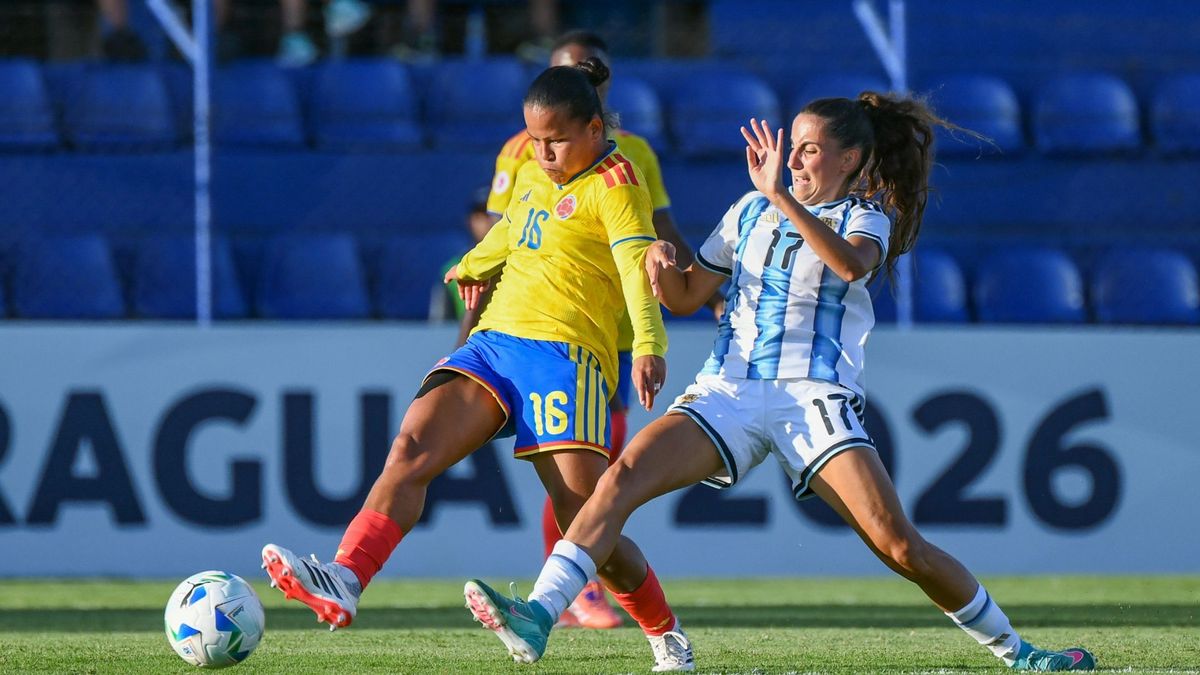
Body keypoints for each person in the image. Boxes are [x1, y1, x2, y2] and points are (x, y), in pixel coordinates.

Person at [465, 96, 1098, 672]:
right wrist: (658, 261)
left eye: (809, 149)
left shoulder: (864, 216)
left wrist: (781, 198)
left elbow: (849, 266)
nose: (791, 160)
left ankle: (1020, 653)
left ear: (849, 160)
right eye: (791, 147)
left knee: (900, 547)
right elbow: (686, 296)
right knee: (619, 479)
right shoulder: (747, 211)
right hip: (728, 391)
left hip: (812, 397)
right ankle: (540, 614)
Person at [262, 58, 694, 672]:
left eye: (556, 140)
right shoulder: (531, 169)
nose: (543, 153)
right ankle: (345, 578)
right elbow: (512, 230)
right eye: (535, 139)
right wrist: (472, 264)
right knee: (410, 449)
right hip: (495, 342)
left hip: (565, 356)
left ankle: (665, 633)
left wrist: (650, 344)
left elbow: (634, 268)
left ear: (595, 129)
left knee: (585, 519)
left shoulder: (619, 181)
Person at [473, 28, 713, 631]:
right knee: (574, 477)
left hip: (614, 333)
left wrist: (698, 287)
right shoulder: (520, 150)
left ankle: (578, 587)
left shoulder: (632, 158)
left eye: (587, 70)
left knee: (592, 475)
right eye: (565, 68)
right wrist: (475, 310)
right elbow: (502, 233)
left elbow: (658, 231)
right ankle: (574, 590)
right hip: (530, 328)